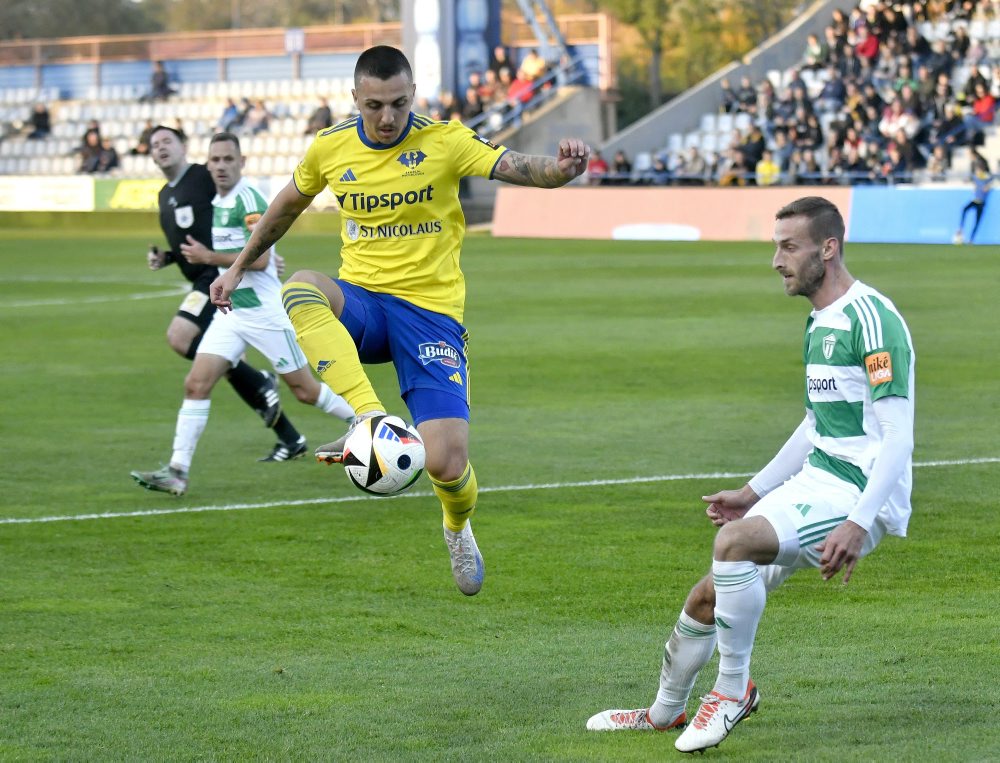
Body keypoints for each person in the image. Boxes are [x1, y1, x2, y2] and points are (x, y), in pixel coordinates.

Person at [210, 45, 590, 596]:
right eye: (374, 105)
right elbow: (285, 207)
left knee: (445, 462)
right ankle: (368, 418)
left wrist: (562, 169)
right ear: (355, 99)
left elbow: (518, 167)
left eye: (398, 103)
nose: (387, 117)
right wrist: (240, 268)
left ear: (414, 95)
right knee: (302, 288)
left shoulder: (445, 140)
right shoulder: (330, 147)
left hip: (431, 316)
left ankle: (456, 527)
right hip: (364, 303)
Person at [586, 196, 916, 753]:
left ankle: (733, 691)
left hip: (862, 492)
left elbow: (899, 435)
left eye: (789, 247)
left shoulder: (871, 319)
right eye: (775, 246)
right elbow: (816, 423)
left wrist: (860, 522)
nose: (776, 261)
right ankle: (664, 711)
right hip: (819, 480)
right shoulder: (819, 322)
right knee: (707, 598)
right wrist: (753, 490)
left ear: (828, 248)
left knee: (732, 543)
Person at [132, 132, 354, 496]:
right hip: (232, 314)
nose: (220, 166)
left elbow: (263, 258)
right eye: (215, 160)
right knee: (196, 384)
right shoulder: (220, 201)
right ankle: (177, 471)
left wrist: (210, 259)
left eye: (227, 160)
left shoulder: (247, 198)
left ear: (241, 162)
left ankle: (373, 423)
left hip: (266, 314)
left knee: (305, 391)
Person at [141, 124, 306, 465]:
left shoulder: (203, 176)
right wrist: (168, 257)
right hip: (206, 279)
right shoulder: (163, 194)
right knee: (226, 367)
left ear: (185, 146)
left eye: (167, 141)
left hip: (215, 279)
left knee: (180, 336)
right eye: (154, 144)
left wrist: (263, 257)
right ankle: (289, 436)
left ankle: (261, 382)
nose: (160, 148)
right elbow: (195, 237)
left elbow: (245, 216)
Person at [954, 153, 993, 244]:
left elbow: (991, 180)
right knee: (964, 209)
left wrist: (988, 185)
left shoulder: (986, 177)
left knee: (977, 221)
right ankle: (960, 228)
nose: (978, 171)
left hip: (981, 203)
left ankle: (971, 239)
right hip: (975, 200)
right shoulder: (976, 177)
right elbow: (968, 178)